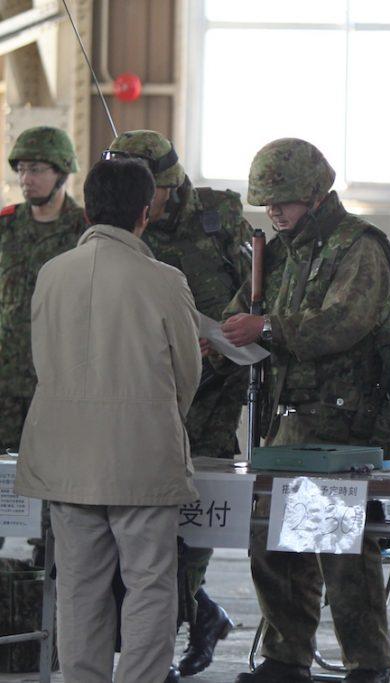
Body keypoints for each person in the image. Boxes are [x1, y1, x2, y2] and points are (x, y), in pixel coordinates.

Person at [15, 157, 201, 683]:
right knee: (150, 583)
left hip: (64, 455)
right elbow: (187, 373)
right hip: (143, 458)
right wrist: (159, 419)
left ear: (87, 211)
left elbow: (42, 361)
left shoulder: (52, 274)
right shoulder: (165, 281)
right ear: (145, 213)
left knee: (78, 585)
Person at [223, 138, 390, 683]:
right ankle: (286, 656)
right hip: (287, 420)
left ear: (317, 195)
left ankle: (366, 663)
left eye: (285, 201)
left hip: (338, 425)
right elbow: (241, 313)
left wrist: (267, 328)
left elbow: (346, 321)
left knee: (340, 550)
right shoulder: (279, 254)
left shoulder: (358, 247)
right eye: (267, 203)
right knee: (273, 544)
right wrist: (219, 335)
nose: (274, 212)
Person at [104, 129, 247, 676]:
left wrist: (225, 334)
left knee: (190, 523)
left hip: (213, 390)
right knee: (137, 529)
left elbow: (254, 287)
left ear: (171, 183)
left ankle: (164, 643)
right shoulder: (119, 221)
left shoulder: (218, 215)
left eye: (150, 190)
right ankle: (190, 622)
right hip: (143, 391)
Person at [0, 126, 86, 451]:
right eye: (21, 170)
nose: (26, 179)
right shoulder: (6, 225)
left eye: (36, 169)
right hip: (6, 380)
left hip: (59, 380)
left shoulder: (85, 230)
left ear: (62, 171)